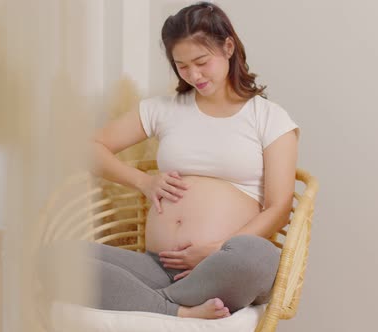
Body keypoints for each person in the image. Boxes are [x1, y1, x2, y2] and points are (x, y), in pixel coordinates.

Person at [39, 1, 299, 320]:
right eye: (182, 65)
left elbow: (279, 207)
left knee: (257, 256)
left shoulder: (268, 117)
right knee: (54, 258)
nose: (193, 74)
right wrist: (143, 181)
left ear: (228, 47)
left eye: (201, 61)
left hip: (224, 265)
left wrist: (218, 249)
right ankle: (175, 309)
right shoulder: (164, 109)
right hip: (154, 265)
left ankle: (146, 302)